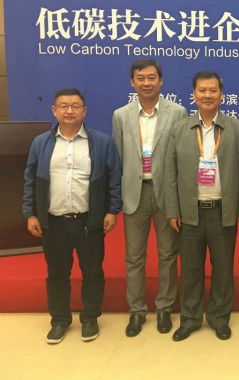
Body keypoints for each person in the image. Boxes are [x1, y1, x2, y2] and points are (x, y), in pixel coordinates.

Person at [23, 88, 121, 344]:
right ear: (54, 110)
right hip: (54, 222)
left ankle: (90, 318)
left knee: (92, 272)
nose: (69, 111)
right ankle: (59, 320)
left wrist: (112, 210)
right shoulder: (41, 143)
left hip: (89, 221)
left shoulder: (101, 142)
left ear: (84, 111)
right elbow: (30, 180)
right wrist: (30, 213)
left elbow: (113, 179)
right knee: (57, 274)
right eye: (63, 106)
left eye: (75, 106)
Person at [164, 71, 239, 341]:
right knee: (190, 269)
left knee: (223, 268)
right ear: (194, 94)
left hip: (222, 211)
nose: (208, 95)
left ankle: (219, 318)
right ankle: (190, 319)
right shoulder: (180, 128)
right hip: (190, 212)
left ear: (221, 95)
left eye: (213, 90)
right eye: (202, 90)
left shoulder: (236, 128)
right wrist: (173, 210)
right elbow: (170, 172)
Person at [112, 59, 188, 337]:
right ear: (132, 82)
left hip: (167, 193)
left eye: (152, 77)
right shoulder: (121, 115)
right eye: (141, 78)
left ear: (161, 80)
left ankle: (164, 307)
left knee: (168, 254)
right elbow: (118, 159)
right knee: (134, 257)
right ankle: (137, 310)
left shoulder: (177, 112)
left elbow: (182, 158)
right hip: (135, 194)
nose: (147, 83)